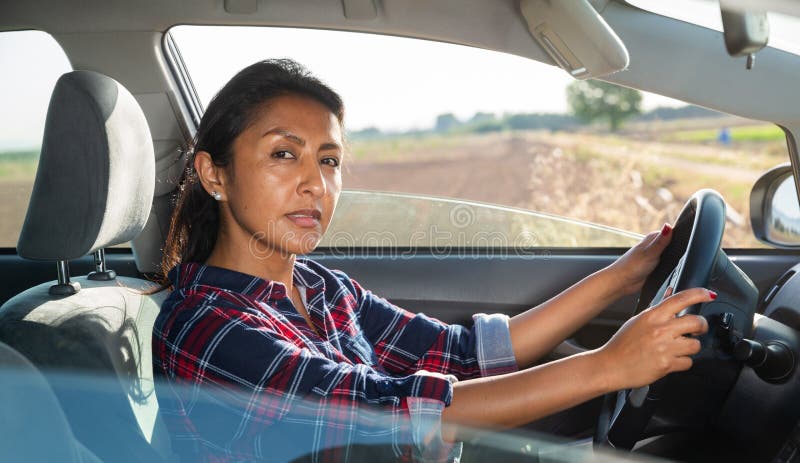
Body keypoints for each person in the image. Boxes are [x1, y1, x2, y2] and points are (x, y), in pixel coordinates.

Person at [152, 59, 712, 462]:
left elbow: (464, 354)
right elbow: (379, 411)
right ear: (214, 174)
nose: (315, 184)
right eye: (283, 154)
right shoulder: (204, 329)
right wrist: (608, 367)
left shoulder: (325, 289)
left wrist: (623, 277)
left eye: (329, 160)